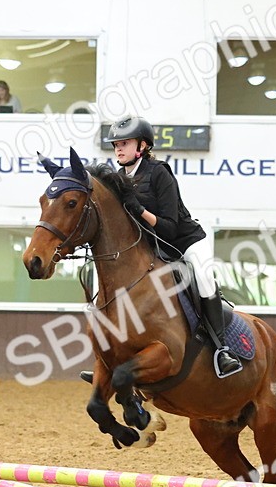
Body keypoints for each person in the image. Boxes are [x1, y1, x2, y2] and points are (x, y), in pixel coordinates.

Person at [103, 115, 241, 378]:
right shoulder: (120, 178)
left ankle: (222, 350)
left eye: (124, 143)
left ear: (142, 146)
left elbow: (170, 228)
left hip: (185, 241)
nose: (118, 149)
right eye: (116, 145)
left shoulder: (159, 173)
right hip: (154, 247)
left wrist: (139, 209)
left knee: (203, 280)